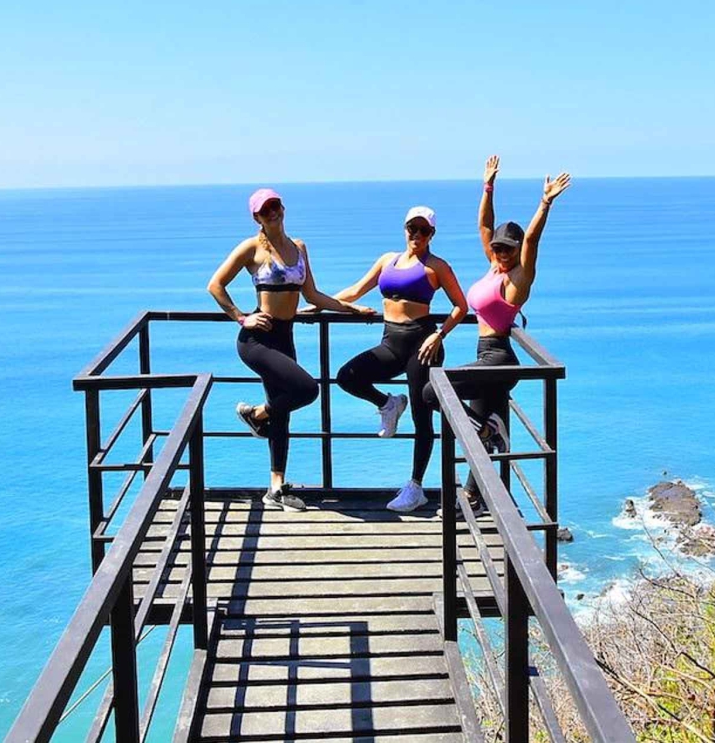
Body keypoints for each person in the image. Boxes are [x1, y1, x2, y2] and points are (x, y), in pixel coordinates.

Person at [416, 156, 572, 511]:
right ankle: (475, 492)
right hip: (487, 355)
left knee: (431, 391)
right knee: (478, 435)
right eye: (498, 248)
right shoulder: (493, 264)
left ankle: (491, 429)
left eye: (507, 249)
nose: (500, 252)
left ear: (517, 253)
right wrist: (488, 184)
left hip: (499, 358)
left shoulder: (518, 279)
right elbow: (485, 226)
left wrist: (544, 203)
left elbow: (531, 240)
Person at [207, 188, 373, 511]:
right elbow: (215, 284)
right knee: (307, 389)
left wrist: (351, 310)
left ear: (283, 208)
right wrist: (242, 318)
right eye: (265, 210)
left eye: (276, 206)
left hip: (285, 336)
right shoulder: (251, 248)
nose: (273, 213)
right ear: (257, 217)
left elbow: (312, 296)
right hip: (257, 340)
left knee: (282, 413)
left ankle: (275, 488)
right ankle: (256, 414)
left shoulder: (299, 247)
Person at [330, 205, 470, 512]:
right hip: (391, 344)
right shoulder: (387, 260)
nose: (416, 235)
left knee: (423, 416)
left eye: (423, 230)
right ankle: (388, 403)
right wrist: (320, 306)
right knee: (347, 376)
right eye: (412, 228)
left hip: (423, 345)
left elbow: (461, 306)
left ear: (432, 234)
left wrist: (440, 334)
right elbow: (355, 291)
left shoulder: (437, 267)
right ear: (404, 229)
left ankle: (415, 487)